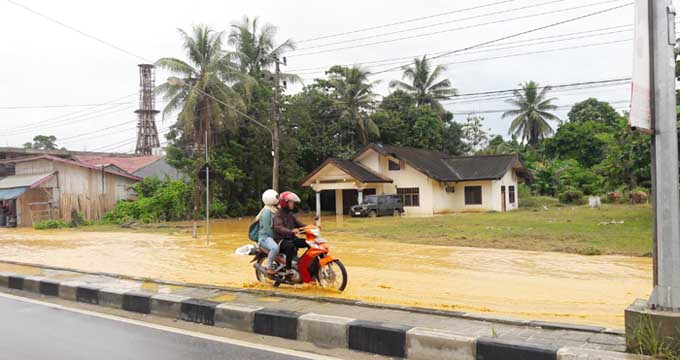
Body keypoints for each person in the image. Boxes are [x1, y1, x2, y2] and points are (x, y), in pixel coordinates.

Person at [272, 191, 309, 275]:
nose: (292, 204)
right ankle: (288, 270)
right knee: (290, 246)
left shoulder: (290, 214)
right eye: (291, 202)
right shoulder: (278, 214)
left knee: (309, 243)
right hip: (281, 240)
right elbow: (279, 227)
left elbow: (300, 224)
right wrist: (291, 231)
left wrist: (311, 228)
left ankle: (302, 264)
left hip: (290, 238)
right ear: (285, 203)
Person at [256, 189, 280, 275]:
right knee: (275, 248)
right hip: (265, 237)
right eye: (277, 197)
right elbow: (267, 228)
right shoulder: (266, 211)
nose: (278, 199)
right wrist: (275, 237)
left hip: (274, 236)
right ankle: (269, 267)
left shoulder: (275, 209)